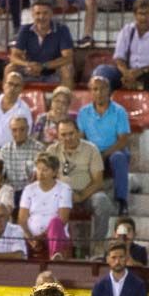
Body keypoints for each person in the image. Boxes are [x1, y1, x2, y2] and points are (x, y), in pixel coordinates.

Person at [95, 0, 149, 128]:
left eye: (147, 14)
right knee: (101, 71)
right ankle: (101, 113)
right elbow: (119, 57)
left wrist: (141, 71)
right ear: (135, 15)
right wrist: (127, 73)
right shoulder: (128, 30)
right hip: (129, 71)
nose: (143, 18)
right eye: (140, 14)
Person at [46, 118, 114, 253]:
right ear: (58, 135)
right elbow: (47, 177)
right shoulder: (52, 151)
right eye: (63, 135)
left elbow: (98, 181)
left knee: (102, 201)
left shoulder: (91, 149)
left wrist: (80, 196)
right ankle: (55, 247)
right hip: (59, 196)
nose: (67, 138)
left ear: (78, 133)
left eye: (71, 133)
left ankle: (98, 245)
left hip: (86, 194)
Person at [77, 75, 131, 214]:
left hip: (113, 151)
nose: (99, 93)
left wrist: (104, 154)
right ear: (90, 91)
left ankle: (121, 201)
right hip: (92, 153)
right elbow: (80, 139)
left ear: (109, 90)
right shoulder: (84, 112)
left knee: (118, 157)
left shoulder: (119, 111)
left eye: (102, 89)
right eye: (95, 89)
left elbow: (123, 140)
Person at [17, 151, 71, 259]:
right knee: (16, 229)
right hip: (31, 236)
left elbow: (63, 219)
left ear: (55, 172)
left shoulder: (64, 189)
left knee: (55, 222)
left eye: (45, 170)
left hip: (54, 235)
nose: (41, 173)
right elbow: (22, 220)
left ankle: (56, 256)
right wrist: (31, 239)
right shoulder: (29, 189)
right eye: (38, 169)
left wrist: (41, 237)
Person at [9, 0, 74, 87]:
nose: (41, 17)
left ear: (51, 14)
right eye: (38, 13)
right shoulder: (25, 30)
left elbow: (68, 57)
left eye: (45, 13)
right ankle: (7, 99)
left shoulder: (62, 29)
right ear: (32, 14)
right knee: (10, 68)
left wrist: (43, 66)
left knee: (67, 69)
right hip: (30, 70)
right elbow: (14, 56)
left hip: (53, 71)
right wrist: (28, 64)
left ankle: (66, 98)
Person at [0, 116, 45, 201]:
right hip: (10, 192)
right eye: (14, 130)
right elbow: (1, 175)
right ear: (10, 131)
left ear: (28, 129)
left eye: (22, 129)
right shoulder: (4, 150)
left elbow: (39, 176)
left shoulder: (39, 148)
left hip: (31, 192)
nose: (18, 133)